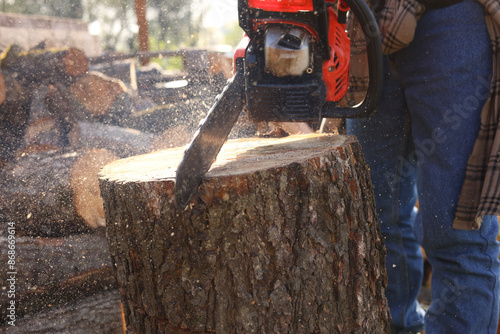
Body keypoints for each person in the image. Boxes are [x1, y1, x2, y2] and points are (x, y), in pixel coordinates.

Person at [346, 1, 500, 333]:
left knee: (457, 231)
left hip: (454, 16)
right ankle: (395, 324)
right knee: (371, 218)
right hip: (369, 19)